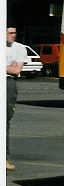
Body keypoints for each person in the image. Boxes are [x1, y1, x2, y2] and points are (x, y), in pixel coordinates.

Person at [6, 26, 28, 170]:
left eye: (15, 32)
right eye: (10, 33)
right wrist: (7, 66)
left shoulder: (20, 48)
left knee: (5, 121)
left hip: (8, 83)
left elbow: (16, 70)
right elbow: (11, 68)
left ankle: (4, 158)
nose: (13, 35)